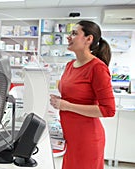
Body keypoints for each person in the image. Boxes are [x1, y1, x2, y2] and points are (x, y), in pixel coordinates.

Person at [49, 20, 116, 169]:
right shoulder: (69, 65)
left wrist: (66, 105)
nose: (68, 37)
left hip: (87, 140)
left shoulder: (97, 68)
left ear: (88, 39)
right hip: (71, 138)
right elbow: (73, 96)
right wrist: (60, 100)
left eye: (74, 33)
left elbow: (108, 110)